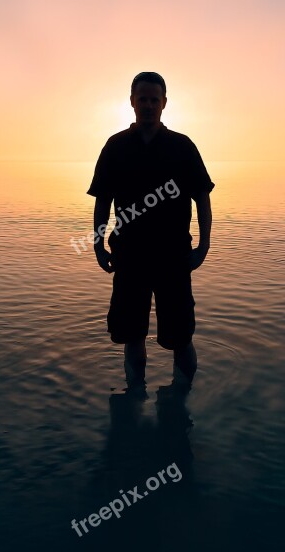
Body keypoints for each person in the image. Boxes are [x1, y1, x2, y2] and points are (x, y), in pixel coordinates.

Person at [87, 72, 214, 385]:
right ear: (131, 102)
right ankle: (134, 399)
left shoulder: (182, 147)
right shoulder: (115, 147)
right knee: (132, 336)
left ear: (164, 103)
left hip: (173, 258)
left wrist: (204, 246)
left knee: (181, 336)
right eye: (141, 99)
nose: (147, 105)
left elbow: (202, 199)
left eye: (153, 99)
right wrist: (97, 245)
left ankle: (181, 404)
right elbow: (102, 201)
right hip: (129, 257)